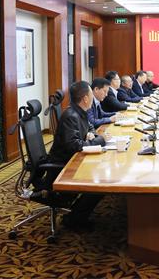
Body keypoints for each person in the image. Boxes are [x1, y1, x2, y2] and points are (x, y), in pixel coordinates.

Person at [47, 81, 111, 230]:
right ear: (85, 98)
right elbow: (74, 146)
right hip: (63, 166)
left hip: (74, 159)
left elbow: (91, 129)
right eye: (91, 94)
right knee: (99, 185)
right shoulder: (71, 116)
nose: (92, 97)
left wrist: (92, 136)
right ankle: (74, 219)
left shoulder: (81, 112)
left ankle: (77, 214)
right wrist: (100, 140)